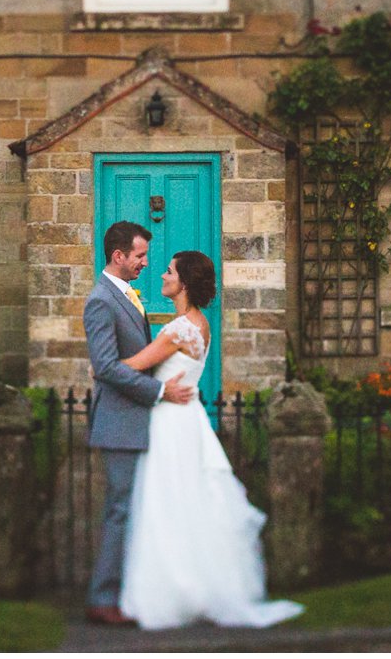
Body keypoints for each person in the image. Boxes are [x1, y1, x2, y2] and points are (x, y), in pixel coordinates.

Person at [116, 250, 304, 630]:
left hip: (171, 422)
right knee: (187, 502)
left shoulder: (179, 330)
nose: (163, 275)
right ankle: (193, 586)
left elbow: (134, 366)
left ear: (183, 283)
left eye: (169, 271)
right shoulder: (200, 325)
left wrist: (99, 364)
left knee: (167, 504)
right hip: (189, 419)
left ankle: (172, 592)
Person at [83, 221, 195, 627]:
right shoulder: (100, 301)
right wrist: (160, 392)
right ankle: (102, 599)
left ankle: (130, 592)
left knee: (135, 510)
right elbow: (107, 368)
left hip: (137, 423)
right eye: (141, 256)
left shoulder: (125, 297)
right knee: (119, 511)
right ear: (119, 256)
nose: (146, 262)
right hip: (120, 423)